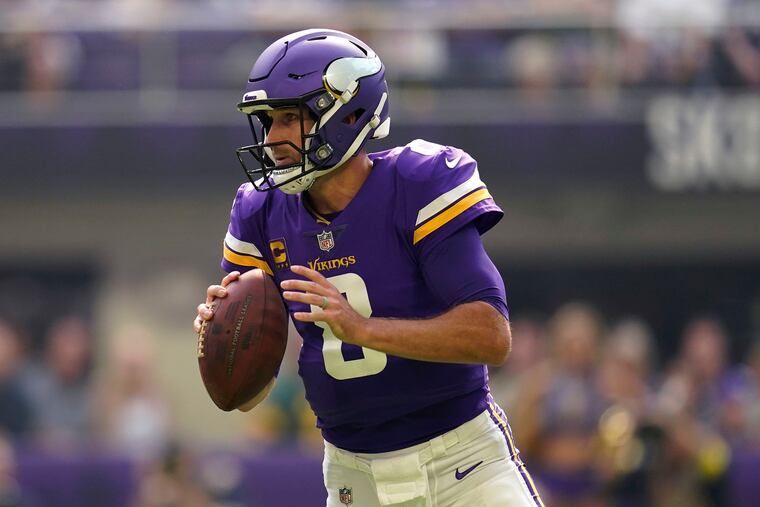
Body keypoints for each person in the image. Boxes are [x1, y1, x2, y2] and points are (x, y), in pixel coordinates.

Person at [193, 28, 543, 507]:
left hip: (462, 465)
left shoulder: (418, 183)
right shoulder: (261, 211)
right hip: (353, 477)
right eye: (268, 122)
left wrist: (363, 329)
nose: (272, 139)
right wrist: (225, 337)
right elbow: (247, 398)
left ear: (348, 113)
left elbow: (492, 337)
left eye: (289, 118)